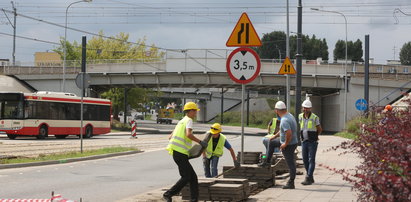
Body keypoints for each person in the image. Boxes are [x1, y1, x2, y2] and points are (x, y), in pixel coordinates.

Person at [163, 102, 208, 202]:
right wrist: (201, 142)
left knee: (193, 177)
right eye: (195, 111)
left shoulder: (181, 121)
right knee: (186, 177)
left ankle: (194, 199)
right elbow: (188, 134)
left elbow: (170, 137)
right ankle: (168, 194)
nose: (196, 113)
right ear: (191, 111)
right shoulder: (189, 121)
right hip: (180, 153)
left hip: (177, 153)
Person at [275, 100, 299, 189]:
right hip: (293, 142)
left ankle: (291, 182)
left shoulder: (284, 120)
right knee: (271, 142)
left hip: (289, 144)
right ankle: (266, 161)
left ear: (276, 110)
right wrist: (274, 136)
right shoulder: (290, 116)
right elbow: (283, 131)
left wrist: (285, 144)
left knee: (290, 163)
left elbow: (288, 133)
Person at [299, 99, 322, 185]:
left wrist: (316, 136)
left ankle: (308, 177)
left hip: (312, 142)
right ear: (302, 108)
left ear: (310, 108)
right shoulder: (300, 116)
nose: (305, 109)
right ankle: (311, 177)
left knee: (311, 159)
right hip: (304, 141)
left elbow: (319, 129)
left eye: (307, 108)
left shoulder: (315, 117)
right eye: (304, 108)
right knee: (305, 160)